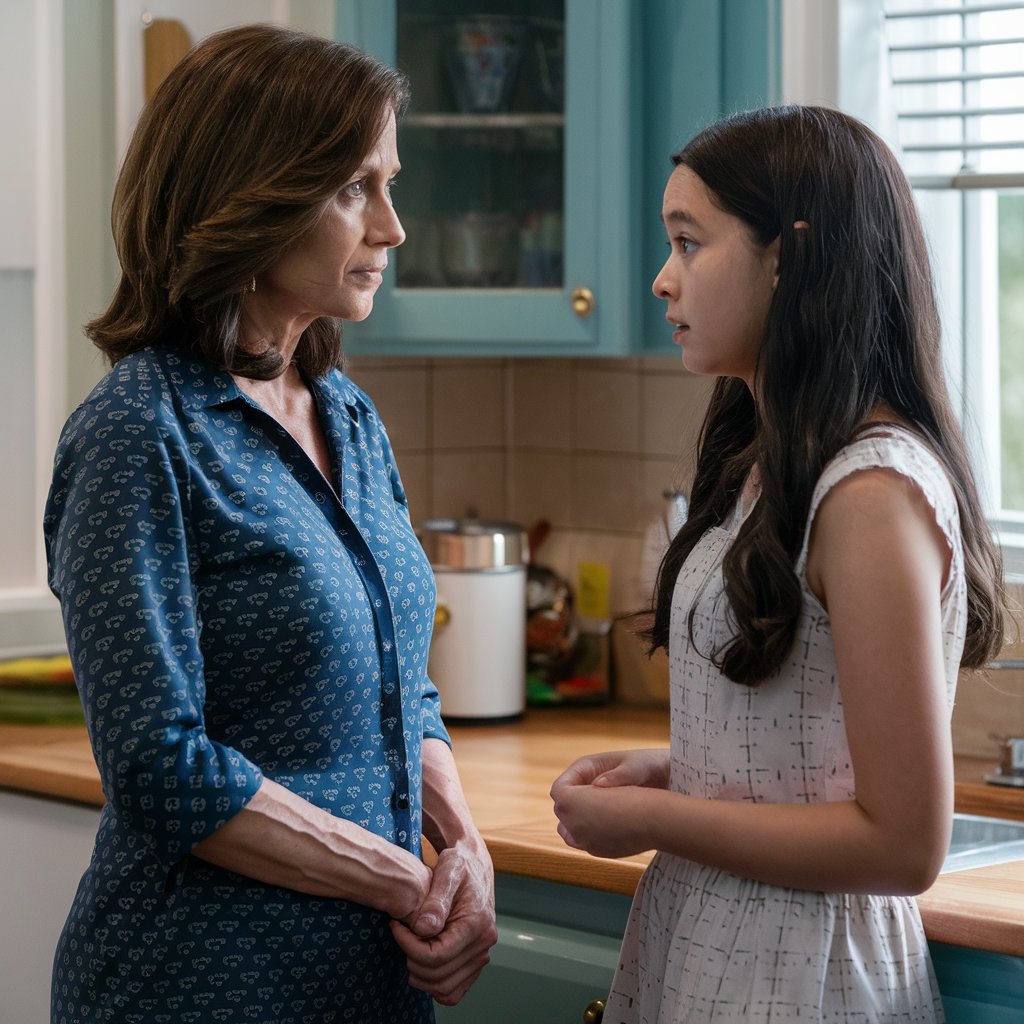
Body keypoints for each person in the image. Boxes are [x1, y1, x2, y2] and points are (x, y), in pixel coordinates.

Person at [44, 24, 495, 1024]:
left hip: (367, 985)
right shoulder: (138, 431)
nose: (392, 227)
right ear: (249, 200)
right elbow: (162, 767)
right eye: (352, 189)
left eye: (390, 182)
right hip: (199, 984)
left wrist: (463, 851)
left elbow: (400, 680)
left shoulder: (348, 415)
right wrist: (401, 880)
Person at [551, 105, 1006, 1023]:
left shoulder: (872, 492)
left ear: (788, 258)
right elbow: (810, 752)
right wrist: (677, 770)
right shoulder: (767, 462)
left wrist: (653, 820)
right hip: (716, 940)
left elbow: (903, 843)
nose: (660, 279)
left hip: (807, 975)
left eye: (688, 243)